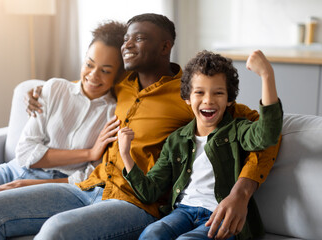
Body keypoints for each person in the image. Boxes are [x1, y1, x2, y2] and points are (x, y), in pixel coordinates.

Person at [0, 13, 280, 239]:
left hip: (136, 203)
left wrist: (241, 193)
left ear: (166, 46)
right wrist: (41, 93)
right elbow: (88, 84)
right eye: (126, 38)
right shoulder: (122, 85)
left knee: (56, 232)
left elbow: (267, 133)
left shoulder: (192, 93)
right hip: (89, 185)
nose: (126, 44)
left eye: (138, 39)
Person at [118, 50, 283, 240]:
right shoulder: (176, 140)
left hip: (220, 215)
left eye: (218, 93)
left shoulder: (238, 130)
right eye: (199, 92)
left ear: (229, 100)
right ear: (187, 98)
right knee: (152, 233)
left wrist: (266, 75)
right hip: (182, 212)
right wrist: (126, 155)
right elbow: (150, 191)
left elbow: (268, 134)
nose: (208, 100)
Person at [0, 21, 126, 194]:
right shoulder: (54, 88)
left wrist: (26, 185)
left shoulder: (113, 114)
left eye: (105, 71)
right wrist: (89, 153)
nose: (93, 75)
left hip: (54, 185)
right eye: (89, 64)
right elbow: (24, 152)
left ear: (119, 74)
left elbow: (91, 176)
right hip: (12, 170)